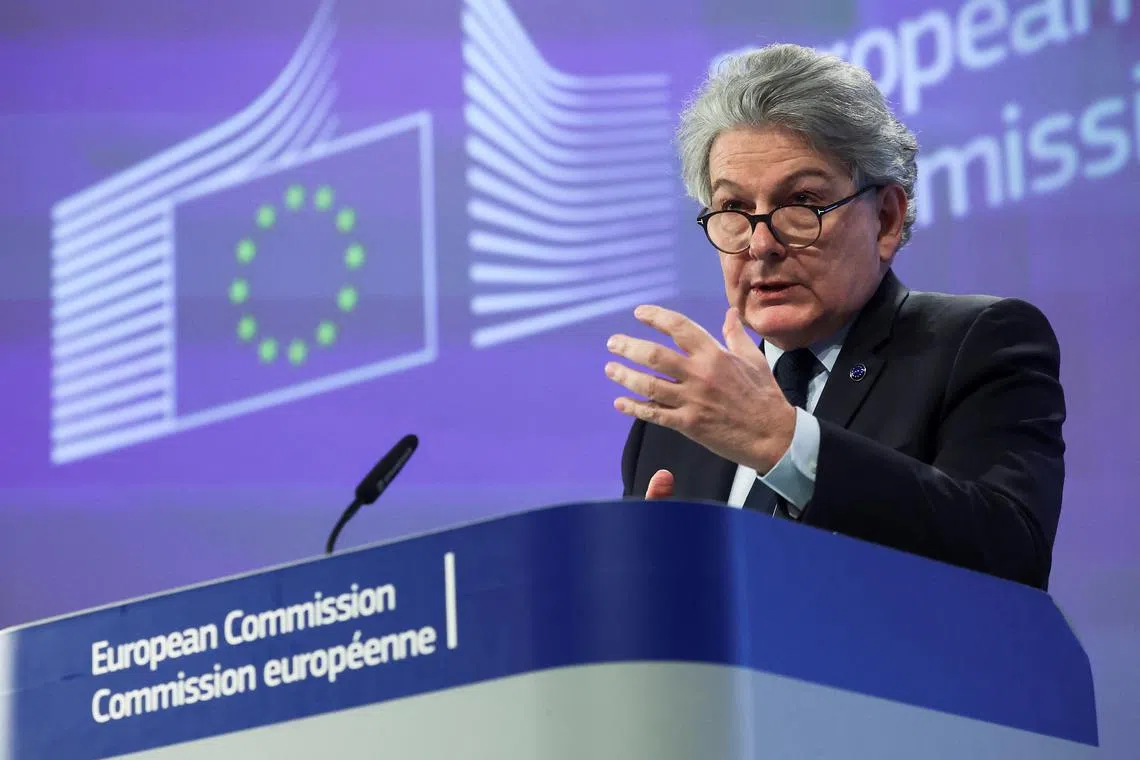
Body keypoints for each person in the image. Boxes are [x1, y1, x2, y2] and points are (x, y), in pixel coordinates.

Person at [606, 43, 1066, 589]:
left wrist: (785, 443)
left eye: (801, 202)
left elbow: (1009, 553)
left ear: (887, 219)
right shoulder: (676, 429)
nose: (760, 244)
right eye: (732, 210)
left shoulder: (978, 345)